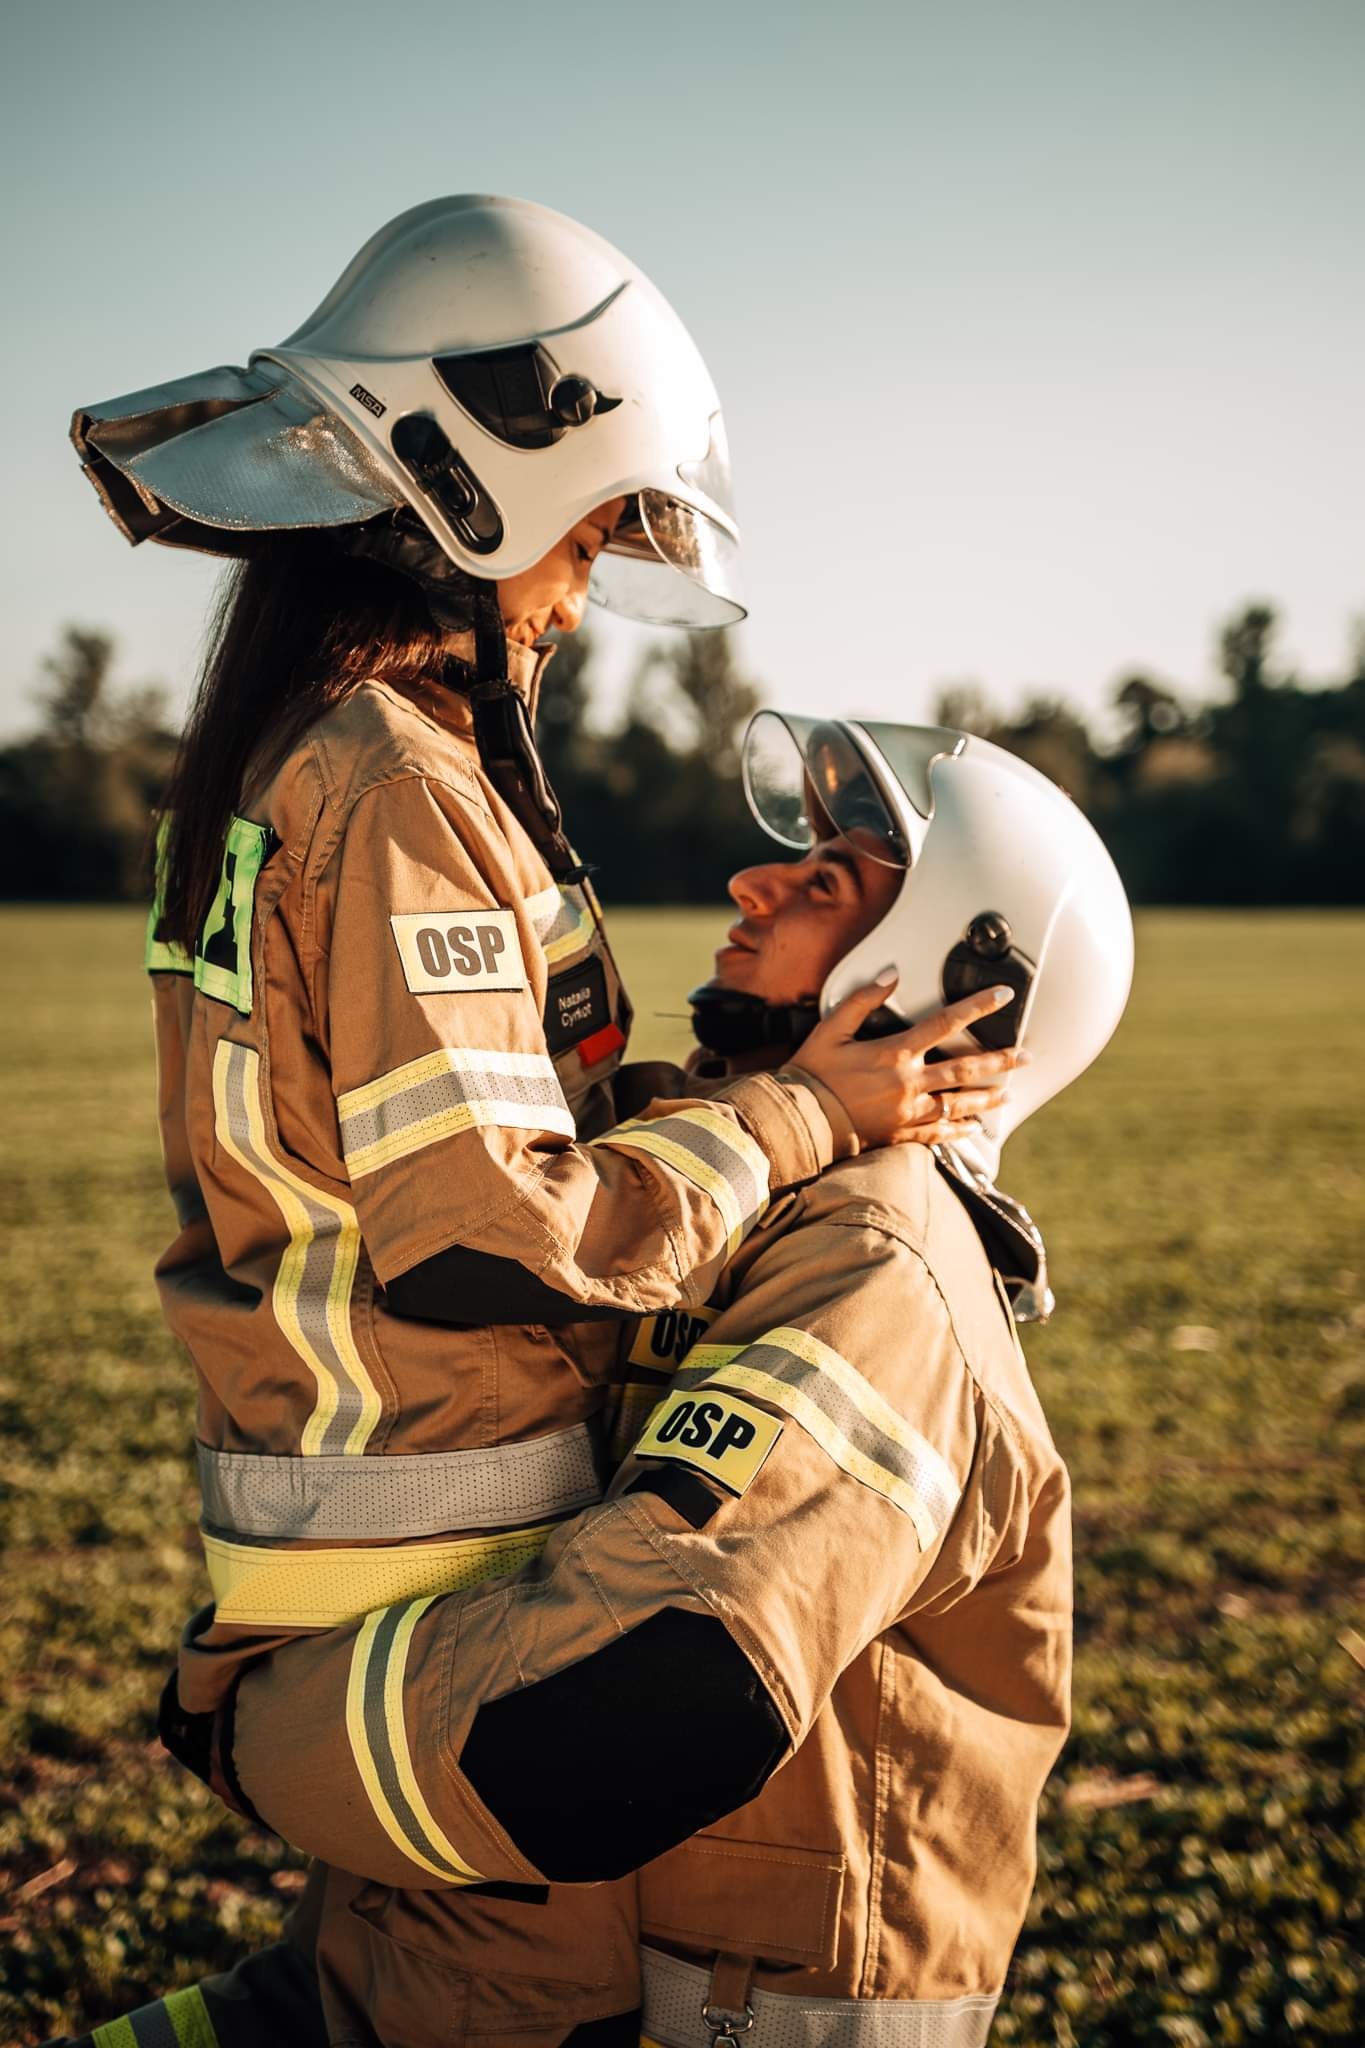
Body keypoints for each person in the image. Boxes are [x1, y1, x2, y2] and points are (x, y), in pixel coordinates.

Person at [52, 198, 1016, 2047]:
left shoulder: (320, 758)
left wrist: (750, 1105)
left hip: (367, 1561)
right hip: (441, 1575)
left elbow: (506, 1147)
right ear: (472, 491)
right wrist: (802, 1115)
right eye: (588, 534)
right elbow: (491, 1230)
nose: (581, 594)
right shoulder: (393, 780)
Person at [62, 713, 1130, 2047]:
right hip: (444, 1966)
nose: (755, 882)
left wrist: (256, 1732)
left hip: (701, 2010)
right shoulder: (722, 1174)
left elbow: (637, 1709)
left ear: (950, 984)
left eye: (826, 881)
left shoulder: (876, 1267)